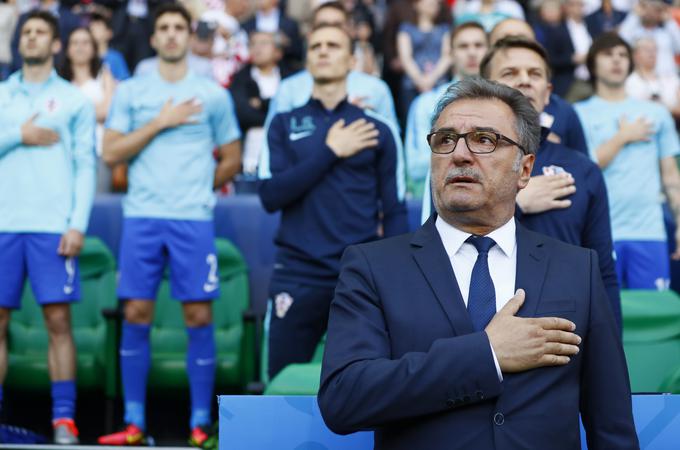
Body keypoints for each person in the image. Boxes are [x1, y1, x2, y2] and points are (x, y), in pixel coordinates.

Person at [317, 77, 639, 450]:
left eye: (485, 140)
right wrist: (487, 354)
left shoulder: (577, 268)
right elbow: (343, 399)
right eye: (445, 139)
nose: (460, 154)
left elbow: (611, 425)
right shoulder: (372, 266)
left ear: (524, 170)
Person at [97, 3, 241, 447]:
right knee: (136, 313)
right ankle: (135, 423)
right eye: (165, 28)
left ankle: (200, 424)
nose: (173, 34)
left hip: (192, 220)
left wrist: (200, 187)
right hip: (142, 216)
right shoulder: (132, 91)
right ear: (155, 37)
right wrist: (160, 121)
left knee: (198, 314)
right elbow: (111, 152)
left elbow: (232, 155)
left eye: (180, 27)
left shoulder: (211, 93)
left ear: (188, 35)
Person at [258, 24, 408, 380]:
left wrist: (399, 277)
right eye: (316, 46)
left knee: (369, 382)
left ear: (352, 59)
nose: (323, 51)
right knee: (281, 381)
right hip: (297, 272)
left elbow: (395, 208)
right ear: (307, 58)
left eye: (334, 45)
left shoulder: (377, 129)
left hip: (358, 274)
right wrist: (330, 151)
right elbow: (270, 196)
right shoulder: (283, 123)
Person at [0, 10, 95, 445]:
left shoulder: (74, 99)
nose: (32, 38)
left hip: (52, 228)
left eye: (41, 32)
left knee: (58, 322)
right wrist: (18, 133)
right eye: (27, 33)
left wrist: (77, 223)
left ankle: (64, 422)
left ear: (56, 45)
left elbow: (85, 165)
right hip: (4, 225)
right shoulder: (3, 94)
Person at [481, 36, 621, 328]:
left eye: (535, 74)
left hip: (566, 335)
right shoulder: (461, 158)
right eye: (510, 73)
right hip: (482, 336)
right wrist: (514, 203)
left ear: (547, 93)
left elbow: (603, 272)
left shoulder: (583, 170)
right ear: (484, 89)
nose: (525, 80)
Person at [575, 32, 680, 290]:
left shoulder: (656, 113)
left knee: (654, 320)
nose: (617, 60)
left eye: (622, 54)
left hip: (650, 231)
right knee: (604, 322)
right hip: (599, 233)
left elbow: (670, 176)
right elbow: (582, 169)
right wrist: (623, 137)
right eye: (608, 54)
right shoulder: (578, 114)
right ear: (592, 64)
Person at [405, 21, 488, 198]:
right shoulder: (426, 103)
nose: (472, 52)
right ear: (450, 54)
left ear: (489, 52)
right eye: (463, 46)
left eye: (478, 45)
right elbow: (415, 168)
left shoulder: (502, 103)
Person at [489, 17, 588, 153]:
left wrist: (552, 151)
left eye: (523, 39)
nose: (515, 45)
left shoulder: (565, 111)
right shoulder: (468, 112)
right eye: (505, 40)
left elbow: (583, 167)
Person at [59, 26, 116, 193]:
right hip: (65, 154)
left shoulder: (104, 75)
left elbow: (108, 112)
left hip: (98, 152)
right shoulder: (59, 82)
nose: (80, 47)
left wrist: (73, 114)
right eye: (75, 43)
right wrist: (94, 111)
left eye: (85, 42)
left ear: (93, 48)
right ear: (67, 49)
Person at [231, 30, 292, 174]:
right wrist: (277, 113)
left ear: (278, 52)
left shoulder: (290, 78)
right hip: (250, 161)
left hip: (287, 160)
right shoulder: (240, 79)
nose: (257, 48)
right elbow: (243, 115)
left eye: (264, 43)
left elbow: (296, 113)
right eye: (253, 44)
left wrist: (262, 104)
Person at [396, 0, 451, 123]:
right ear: (417, 4)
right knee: (412, 122)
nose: (434, 4)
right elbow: (405, 57)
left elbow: (447, 56)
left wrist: (431, 79)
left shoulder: (445, 29)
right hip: (412, 85)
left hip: (439, 84)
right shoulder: (406, 28)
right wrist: (420, 80)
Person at [619, 0, 680, 76]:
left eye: (655, 9)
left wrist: (669, 22)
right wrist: (634, 15)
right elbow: (621, 41)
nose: (650, 12)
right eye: (647, 8)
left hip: (667, 79)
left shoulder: (666, 33)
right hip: (641, 80)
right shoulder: (635, 32)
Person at [626, 36, 680, 119]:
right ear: (635, 55)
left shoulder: (671, 78)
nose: (651, 53)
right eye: (646, 49)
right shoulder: (629, 82)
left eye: (654, 49)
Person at [88, 12, 130, 81]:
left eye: (98, 26)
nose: (93, 29)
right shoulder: (87, 57)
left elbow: (124, 81)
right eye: (91, 27)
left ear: (109, 33)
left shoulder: (116, 58)